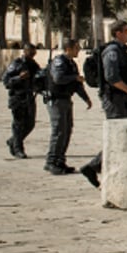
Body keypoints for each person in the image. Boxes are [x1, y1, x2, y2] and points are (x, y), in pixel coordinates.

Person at [80, 21, 127, 188]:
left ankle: (100, 167)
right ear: (118, 33)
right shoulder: (112, 51)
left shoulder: (122, 51)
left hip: (121, 99)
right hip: (113, 99)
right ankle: (93, 166)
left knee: (123, 137)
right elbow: (112, 78)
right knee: (118, 137)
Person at [44, 38, 92, 174]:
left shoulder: (71, 64)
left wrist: (86, 98)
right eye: (76, 48)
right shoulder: (59, 62)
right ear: (68, 49)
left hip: (66, 99)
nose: (79, 51)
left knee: (66, 131)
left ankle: (60, 161)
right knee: (58, 131)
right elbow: (58, 78)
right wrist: (74, 78)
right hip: (56, 100)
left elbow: (77, 85)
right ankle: (51, 161)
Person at [1, 43, 42, 159]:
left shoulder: (33, 65)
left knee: (30, 124)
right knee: (18, 124)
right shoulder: (17, 64)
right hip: (18, 98)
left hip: (29, 97)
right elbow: (5, 80)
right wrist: (19, 78)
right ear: (25, 51)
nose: (33, 54)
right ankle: (18, 148)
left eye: (34, 52)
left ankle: (13, 140)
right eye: (30, 51)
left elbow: (38, 78)